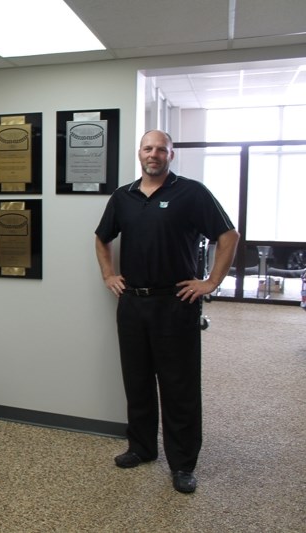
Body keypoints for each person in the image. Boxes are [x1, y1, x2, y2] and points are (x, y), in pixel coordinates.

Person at [94, 130, 239, 494]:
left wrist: (211, 282)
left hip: (176, 303)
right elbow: (101, 237)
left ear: (171, 154)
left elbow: (228, 236)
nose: (153, 154)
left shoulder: (191, 193)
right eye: (148, 148)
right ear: (139, 153)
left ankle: (183, 464)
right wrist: (109, 274)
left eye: (161, 149)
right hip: (132, 304)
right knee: (137, 380)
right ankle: (141, 448)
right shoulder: (122, 197)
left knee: (179, 386)